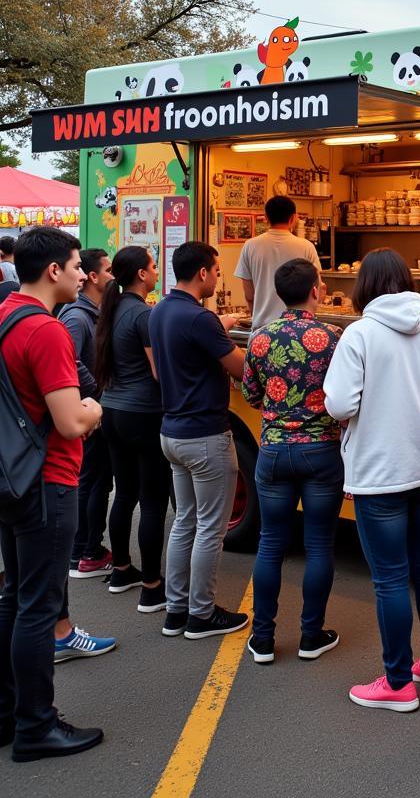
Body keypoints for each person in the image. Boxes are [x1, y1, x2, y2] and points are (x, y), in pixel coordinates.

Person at [323, 250, 420, 709]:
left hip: (380, 473)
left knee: (391, 579)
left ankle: (397, 682)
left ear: (364, 286)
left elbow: (339, 404)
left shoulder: (358, 334)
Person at [0, 227, 104, 761]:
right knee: (39, 607)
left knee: (15, 597)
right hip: (48, 479)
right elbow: (69, 420)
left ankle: (9, 712)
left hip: (11, 475)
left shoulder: (4, 315)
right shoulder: (46, 331)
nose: (84, 273)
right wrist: (96, 409)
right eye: (75, 264)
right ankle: (37, 727)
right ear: (53, 272)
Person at [242, 258, 344, 665]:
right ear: (316, 290)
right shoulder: (335, 336)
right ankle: (310, 635)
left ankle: (262, 639)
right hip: (321, 451)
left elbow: (251, 395)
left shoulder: (260, 338)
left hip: (273, 453)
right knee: (319, 544)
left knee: (270, 545)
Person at [149, 241, 249, 641]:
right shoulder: (199, 320)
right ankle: (202, 615)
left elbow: (192, 341)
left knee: (185, 522)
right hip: (205, 436)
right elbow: (240, 369)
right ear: (204, 273)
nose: (218, 276)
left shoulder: (161, 311)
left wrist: (220, 326)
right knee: (211, 527)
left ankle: (176, 610)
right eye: (216, 269)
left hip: (172, 433)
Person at [94, 246, 171, 613]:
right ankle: (152, 586)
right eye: (153, 267)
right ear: (142, 274)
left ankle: (122, 569)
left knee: (124, 494)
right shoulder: (144, 314)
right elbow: (159, 372)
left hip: (112, 410)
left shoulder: (113, 309)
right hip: (143, 413)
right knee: (153, 501)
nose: (156, 272)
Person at [59, 249, 115, 580]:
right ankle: (84, 551)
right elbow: (71, 358)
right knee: (91, 481)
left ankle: (87, 547)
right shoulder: (77, 317)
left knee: (97, 482)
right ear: (94, 277)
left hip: (94, 409)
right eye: (107, 270)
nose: (113, 276)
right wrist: (95, 391)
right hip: (87, 412)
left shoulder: (93, 313)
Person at [235, 196, 320, 331]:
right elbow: (318, 288)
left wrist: (256, 316)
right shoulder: (306, 246)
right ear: (293, 218)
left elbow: (249, 295)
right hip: (298, 330)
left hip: (262, 329)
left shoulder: (250, 245)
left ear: (266, 218)